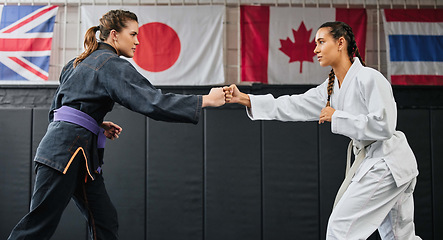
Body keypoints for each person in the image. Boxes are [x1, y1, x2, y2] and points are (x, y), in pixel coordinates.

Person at [8, 9, 225, 240]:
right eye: (132, 34)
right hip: (65, 153)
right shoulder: (111, 64)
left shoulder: (75, 63)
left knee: (104, 220)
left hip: (75, 152)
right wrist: (206, 100)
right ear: (114, 35)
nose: (137, 41)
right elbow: (152, 101)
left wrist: (95, 124)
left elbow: (58, 111)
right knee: (37, 225)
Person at [224, 21, 421, 239]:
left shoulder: (369, 77)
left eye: (321, 42)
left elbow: (384, 126)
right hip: (382, 164)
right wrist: (245, 98)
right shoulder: (329, 88)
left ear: (340, 43)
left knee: (340, 229)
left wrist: (337, 116)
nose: (315, 49)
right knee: (399, 237)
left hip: (387, 162)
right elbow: (291, 105)